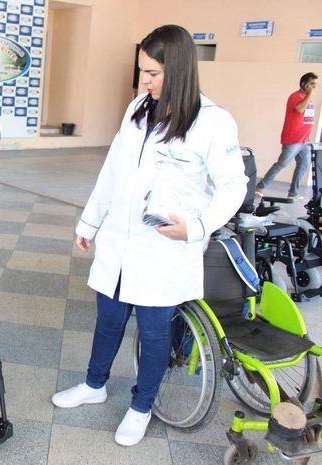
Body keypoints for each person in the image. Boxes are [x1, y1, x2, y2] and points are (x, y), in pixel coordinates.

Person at [51, 25, 247, 447]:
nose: (145, 81)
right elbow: (113, 170)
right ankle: (94, 384)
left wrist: (198, 227)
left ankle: (141, 407)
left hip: (164, 248)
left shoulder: (212, 121)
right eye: (142, 71)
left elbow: (234, 185)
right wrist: (89, 223)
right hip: (120, 241)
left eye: (153, 73)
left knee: (155, 333)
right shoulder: (138, 108)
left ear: (178, 70)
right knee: (108, 319)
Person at [255, 72, 318, 201]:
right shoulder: (296, 96)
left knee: (303, 165)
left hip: (304, 140)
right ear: (304, 84)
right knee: (282, 164)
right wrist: (309, 94)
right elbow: (299, 109)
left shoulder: (307, 98)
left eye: (315, 85)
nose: (314, 87)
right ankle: (259, 187)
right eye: (312, 84)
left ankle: (293, 193)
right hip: (293, 139)